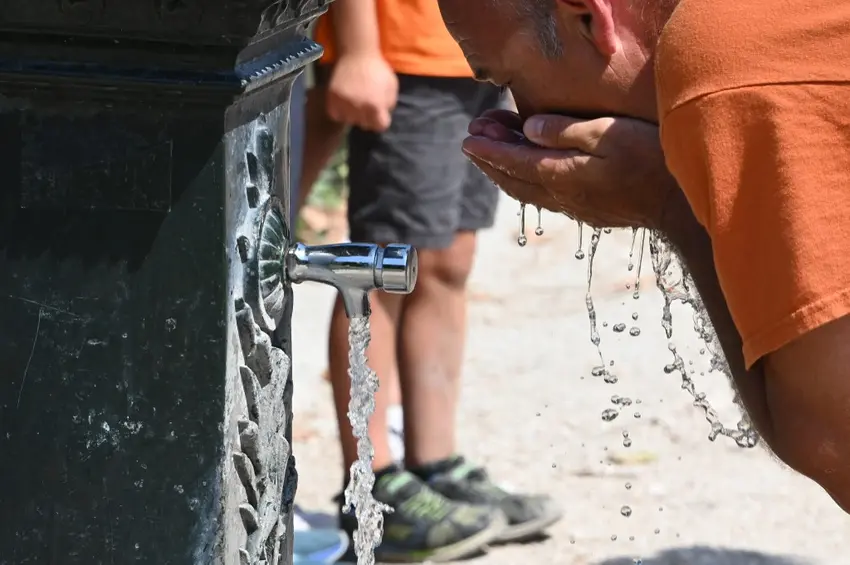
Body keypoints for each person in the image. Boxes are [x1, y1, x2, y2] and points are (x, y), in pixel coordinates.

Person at [435, 0, 850, 513]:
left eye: (508, 79)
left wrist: (670, 206)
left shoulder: (728, 60)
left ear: (588, 17)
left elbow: (836, 446)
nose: (526, 114)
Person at [304, 0, 563, 561]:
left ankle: (435, 464)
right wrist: (360, 50)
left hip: (482, 50)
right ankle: (372, 484)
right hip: (404, 52)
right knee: (381, 268)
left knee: (448, 262)